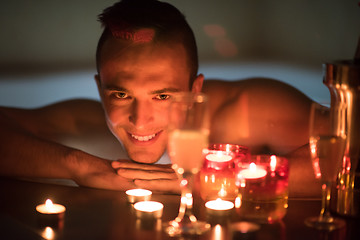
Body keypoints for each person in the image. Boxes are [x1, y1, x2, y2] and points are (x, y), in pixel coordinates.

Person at [0, 0, 320, 197]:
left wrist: (217, 177)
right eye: (121, 94)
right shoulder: (86, 121)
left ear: (195, 91)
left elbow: (346, 153)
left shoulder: (248, 108)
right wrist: (80, 166)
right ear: (100, 89)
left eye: (163, 95)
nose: (140, 120)